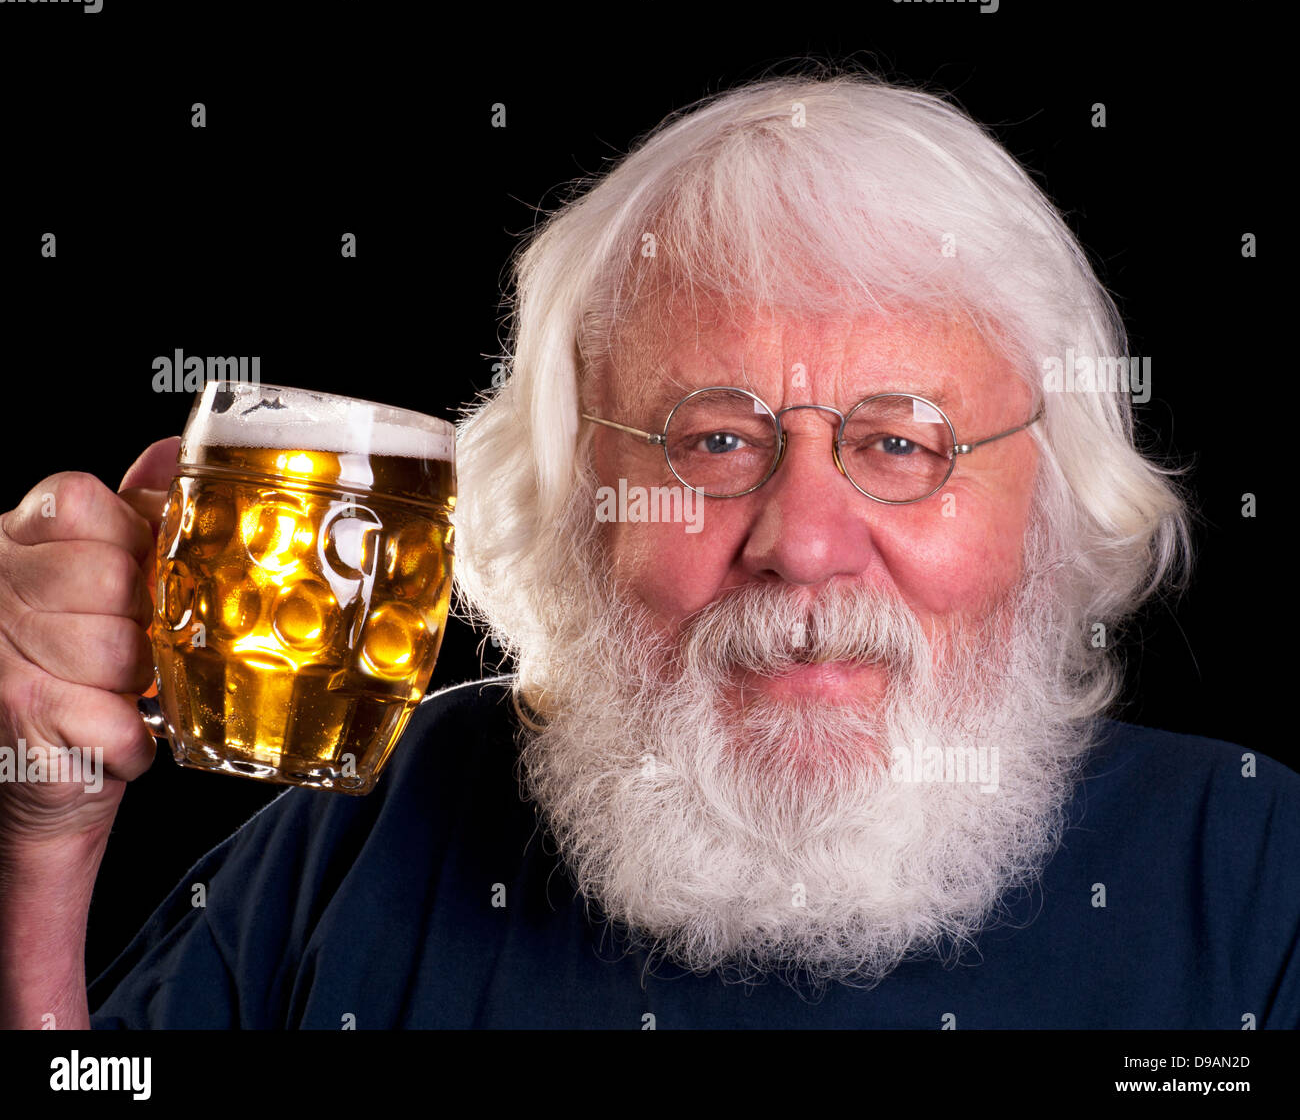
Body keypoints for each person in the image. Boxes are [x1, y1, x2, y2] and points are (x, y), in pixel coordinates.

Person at [2, 71, 1296, 1029]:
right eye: (712, 442)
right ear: (570, 505)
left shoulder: (1253, 868)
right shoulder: (371, 829)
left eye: (904, 444)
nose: (802, 542)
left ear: (1056, 498)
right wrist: (43, 855)